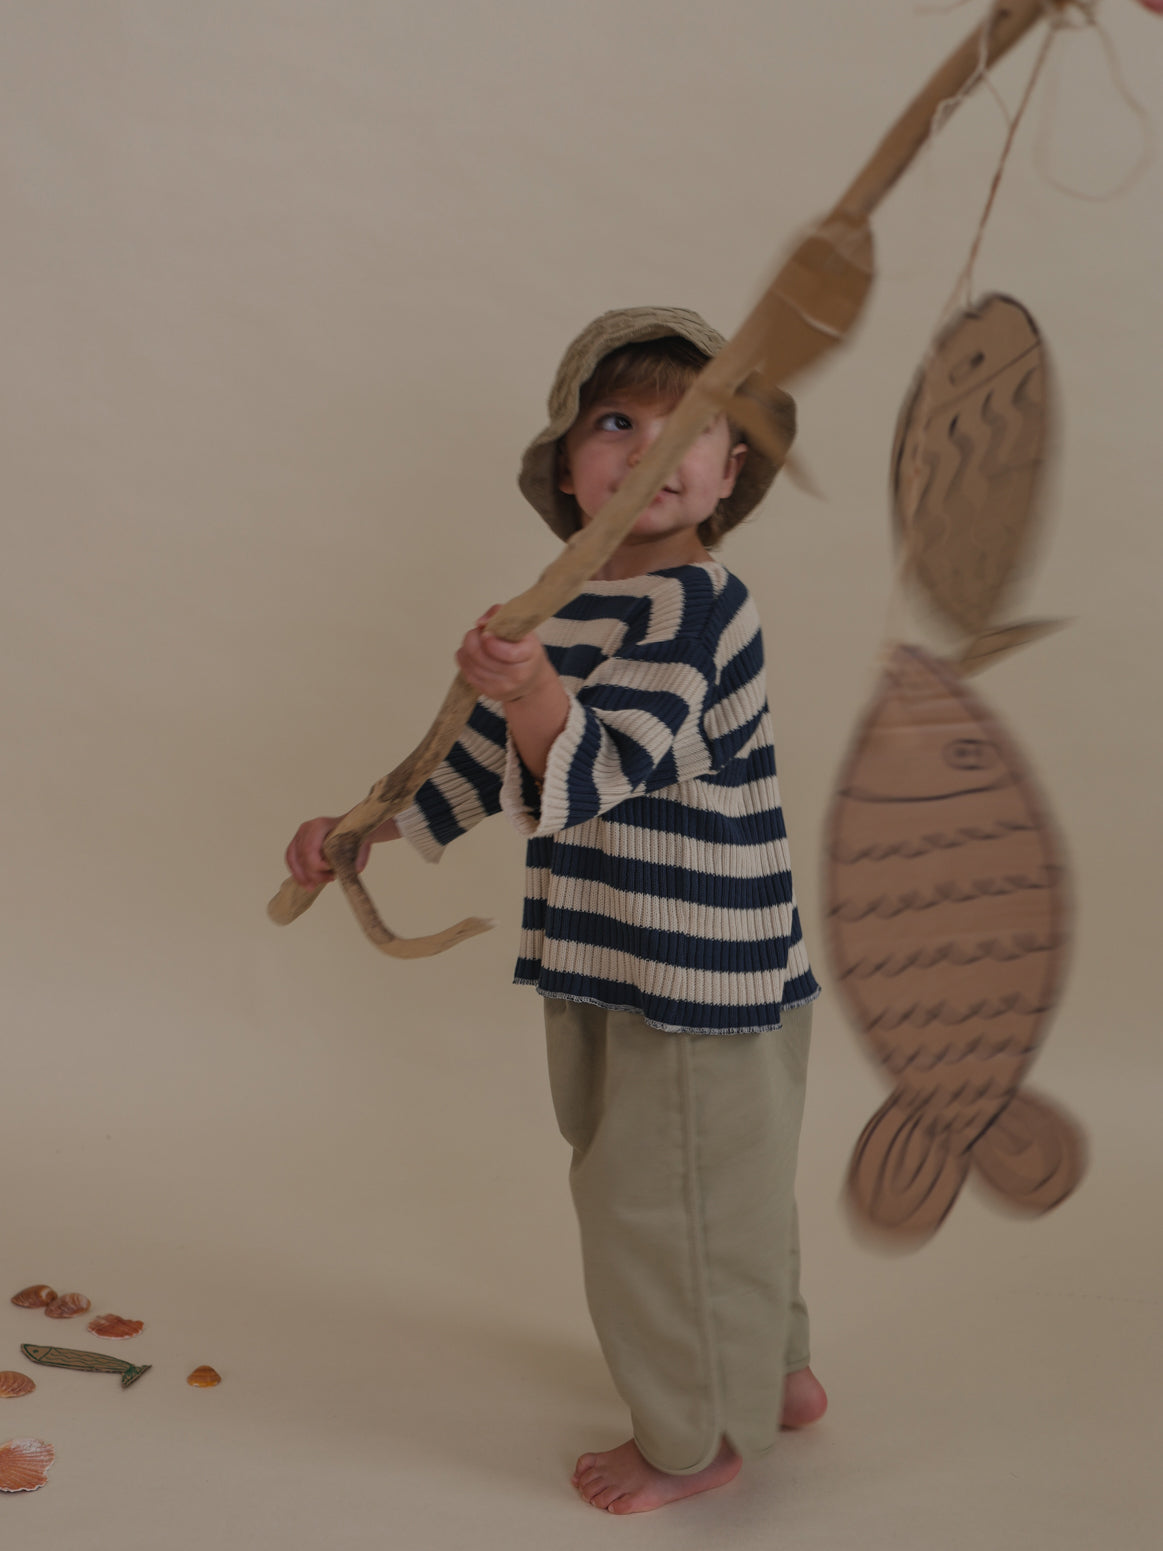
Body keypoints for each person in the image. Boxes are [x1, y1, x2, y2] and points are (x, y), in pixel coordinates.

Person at [286, 307, 827, 1514]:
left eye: (688, 428)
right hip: (608, 953)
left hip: (698, 971)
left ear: (728, 469)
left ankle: (696, 1437)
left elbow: (604, 760)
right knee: (715, 1186)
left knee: (656, 1203)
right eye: (615, 422)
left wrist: (530, 686)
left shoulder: (697, 606)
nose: (647, 449)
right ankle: (773, 1370)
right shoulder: (561, 606)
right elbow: (478, 765)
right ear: (568, 457)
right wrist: (362, 830)